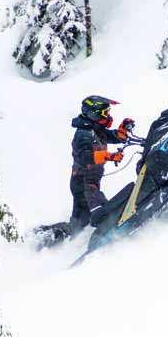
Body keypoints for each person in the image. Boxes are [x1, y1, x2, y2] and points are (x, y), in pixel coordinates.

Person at [70, 95, 135, 234]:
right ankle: (97, 242)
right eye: (106, 113)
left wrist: (122, 131)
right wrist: (109, 156)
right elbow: (84, 156)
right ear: (94, 113)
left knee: (81, 223)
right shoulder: (84, 133)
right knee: (106, 214)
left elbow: (111, 136)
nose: (109, 116)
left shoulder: (95, 130)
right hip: (83, 184)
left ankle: (72, 241)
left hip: (89, 183)